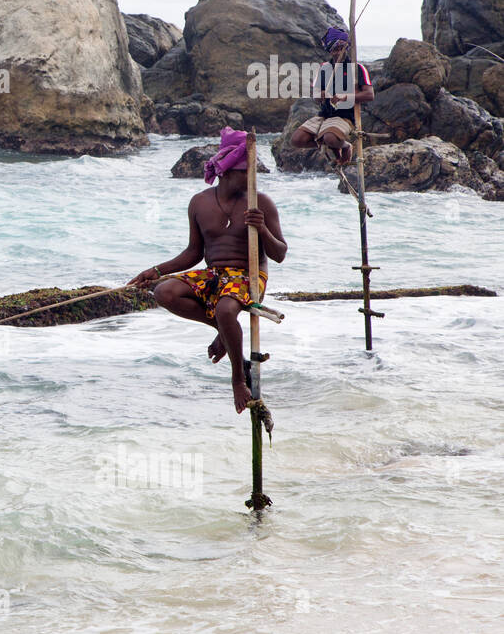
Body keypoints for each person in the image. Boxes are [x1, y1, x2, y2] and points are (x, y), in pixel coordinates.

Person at [129, 128, 287, 413]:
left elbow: (280, 255)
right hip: (214, 274)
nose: (253, 178)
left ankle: (238, 378)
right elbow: (193, 253)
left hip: (249, 276)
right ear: (227, 171)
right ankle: (226, 333)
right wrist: (155, 270)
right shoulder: (200, 203)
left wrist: (261, 227)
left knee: (227, 310)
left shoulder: (260, 202)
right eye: (246, 172)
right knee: (164, 291)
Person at [289, 25, 374, 165]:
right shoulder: (324, 68)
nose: (338, 52)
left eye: (341, 48)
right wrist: (321, 95)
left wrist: (345, 97)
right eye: (335, 49)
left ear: (346, 48)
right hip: (325, 114)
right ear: (330, 50)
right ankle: (327, 144)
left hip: (346, 116)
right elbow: (316, 96)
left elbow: (369, 95)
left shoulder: (357, 68)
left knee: (330, 137)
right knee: (297, 140)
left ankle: (345, 146)